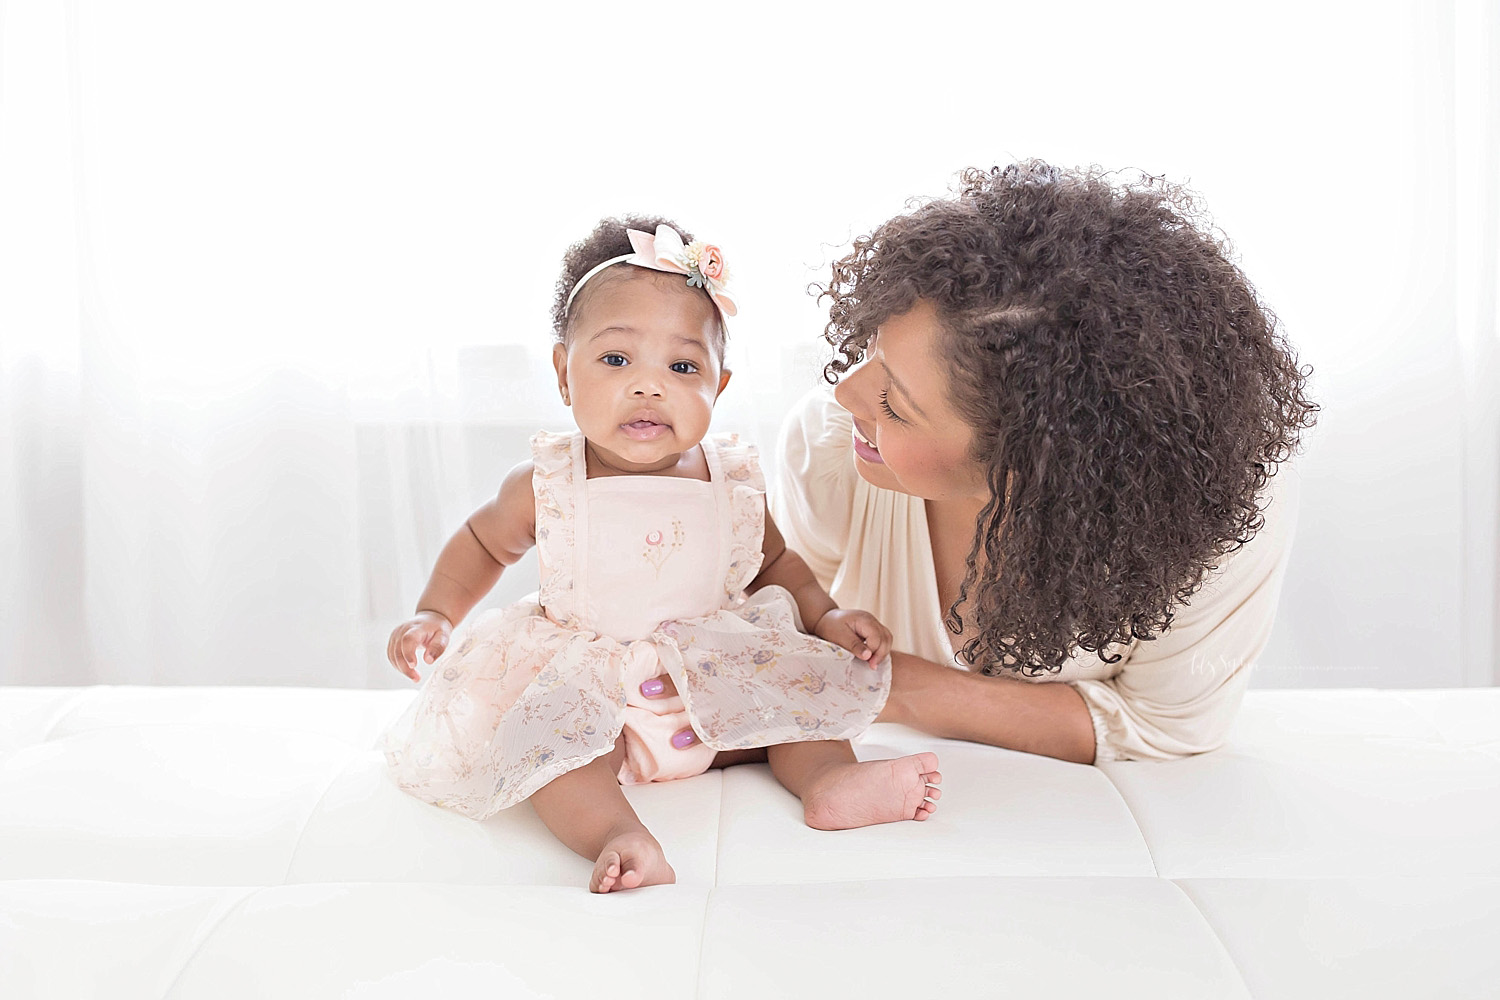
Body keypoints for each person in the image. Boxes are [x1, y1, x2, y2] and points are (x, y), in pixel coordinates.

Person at [638, 162, 1319, 765]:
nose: (846, 393)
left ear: (1035, 460)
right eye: (871, 350)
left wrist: (881, 684)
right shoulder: (830, 447)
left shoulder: (1221, 513)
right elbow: (770, 634)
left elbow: (1166, 726)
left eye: (897, 405)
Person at [378, 218, 942, 894]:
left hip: (713, 680)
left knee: (797, 710)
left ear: (719, 387)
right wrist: (436, 613)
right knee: (554, 755)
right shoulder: (550, 483)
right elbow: (480, 543)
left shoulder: (728, 479)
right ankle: (619, 835)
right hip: (600, 694)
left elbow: (773, 563)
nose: (649, 387)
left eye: (682, 366)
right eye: (616, 360)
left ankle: (829, 783)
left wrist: (825, 615)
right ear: (564, 372)